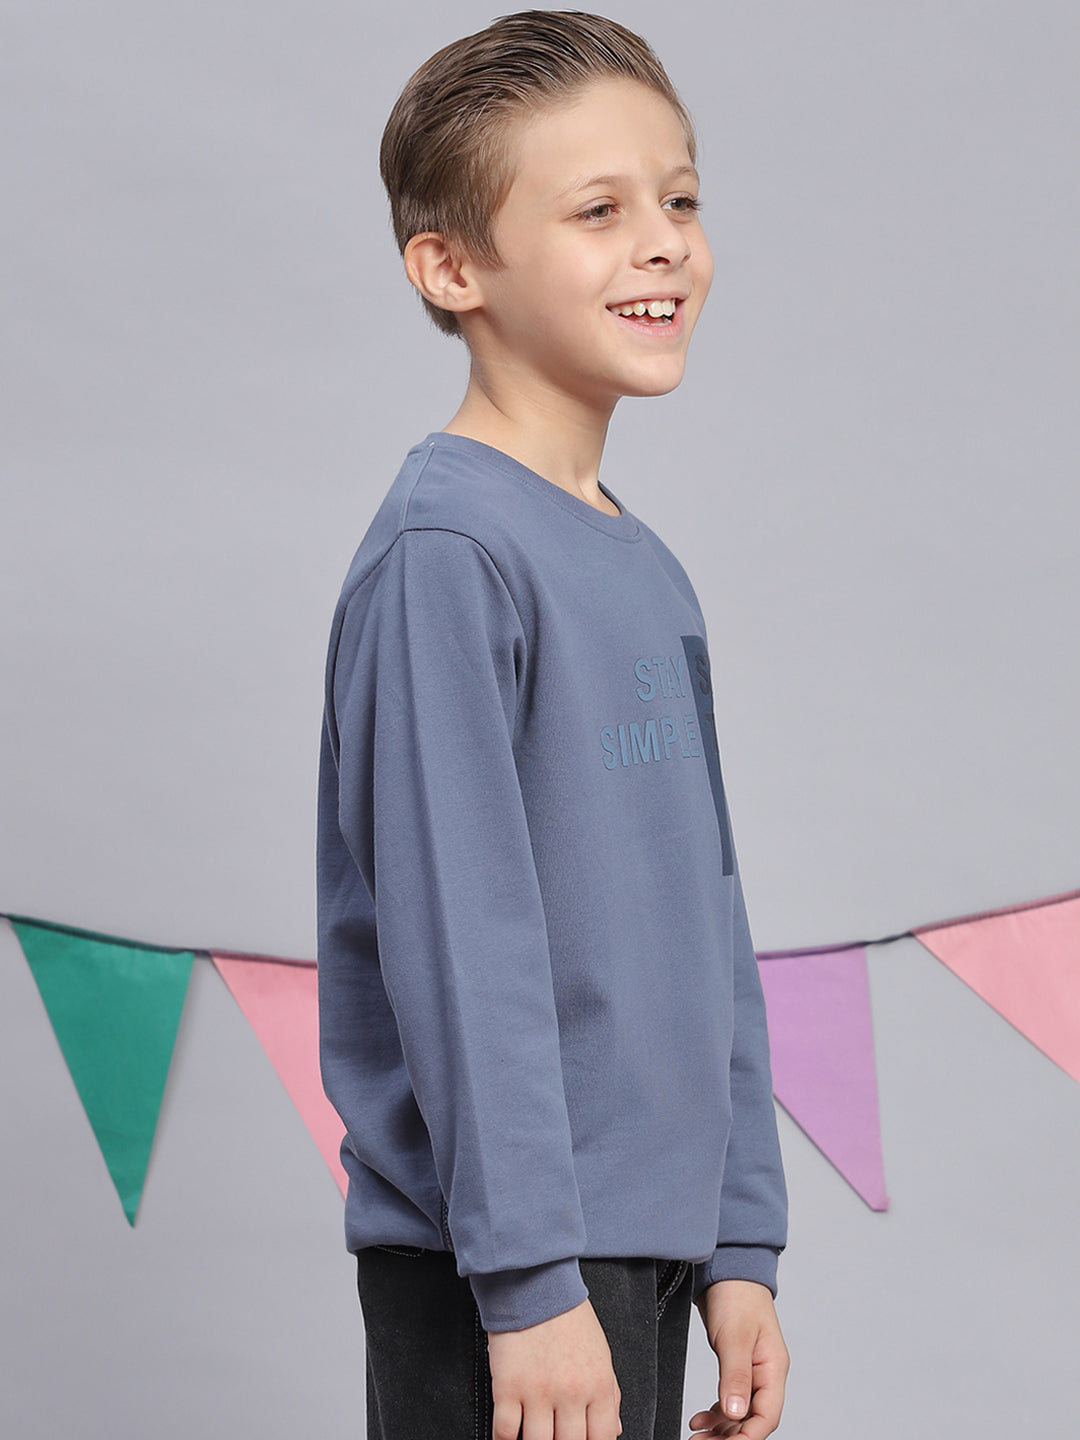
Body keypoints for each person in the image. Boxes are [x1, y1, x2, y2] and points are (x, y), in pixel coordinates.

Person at [316, 12, 789, 1440]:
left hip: (647, 1243)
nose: (663, 245)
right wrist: (526, 1281)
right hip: (504, 1263)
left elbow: (707, 915)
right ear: (452, 268)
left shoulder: (647, 568)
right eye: (599, 211)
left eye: (679, 200)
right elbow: (461, 939)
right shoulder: (448, 556)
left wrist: (739, 1238)